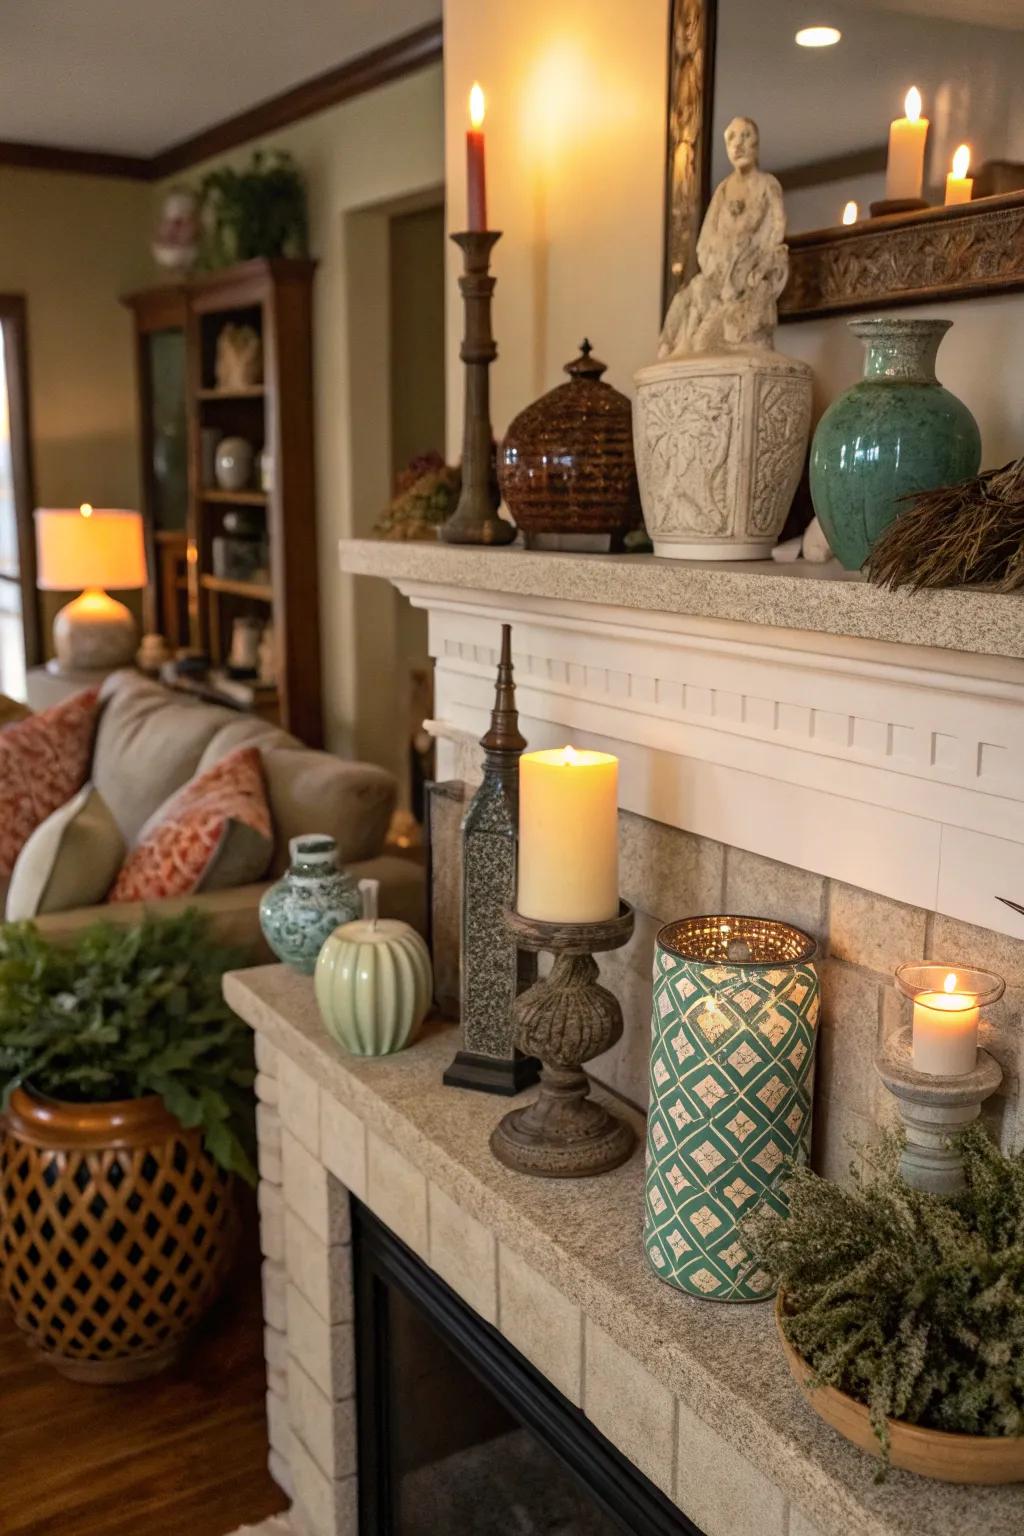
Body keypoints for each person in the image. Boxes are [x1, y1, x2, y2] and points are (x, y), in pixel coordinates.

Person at [659, 117, 788, 358]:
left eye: (745, 136)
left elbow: (776, 233)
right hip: (718, 272)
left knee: (713, 327)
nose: (738, 145)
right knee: (686, 297)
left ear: (756, 143)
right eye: (731, 139)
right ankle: (670, 345)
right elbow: (705, 240)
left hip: (747, 273)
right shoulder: (723, 189)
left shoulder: (767, 185)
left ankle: (697, 341)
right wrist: (715, 265)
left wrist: (755, 267)